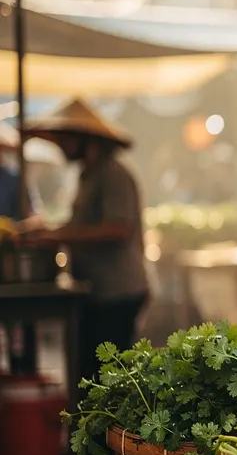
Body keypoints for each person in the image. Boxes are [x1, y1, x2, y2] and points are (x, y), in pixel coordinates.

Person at [23, 98, 150, 383]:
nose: (60, 147)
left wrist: (59, 234)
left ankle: (110, 428)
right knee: (89, 374)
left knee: (111, 379)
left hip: (118, 291)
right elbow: (82, 225)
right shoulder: (88, 176)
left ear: (84, 140)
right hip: (96, 291)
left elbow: (117, 229)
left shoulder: (113, 175)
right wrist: (50, 230)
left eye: (64, 140)